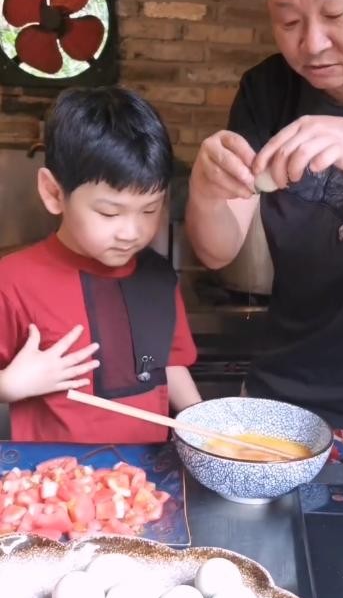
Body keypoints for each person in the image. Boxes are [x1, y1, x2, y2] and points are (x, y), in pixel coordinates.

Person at [185, 0, 343, 465]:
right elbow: (217, 250)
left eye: (335, 13)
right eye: (289, 20)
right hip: (278, 410)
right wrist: (206, 190)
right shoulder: (268, 89)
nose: (312, 43)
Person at [0, 87, 201, 443]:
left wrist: (205, 425)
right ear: (53, 193)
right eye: (109, 213)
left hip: (146, 472)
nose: (132, 232)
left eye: (150, 209)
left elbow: (169, 362)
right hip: (55, 474)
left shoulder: (158, 276)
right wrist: (10, 385)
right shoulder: (13, 281)